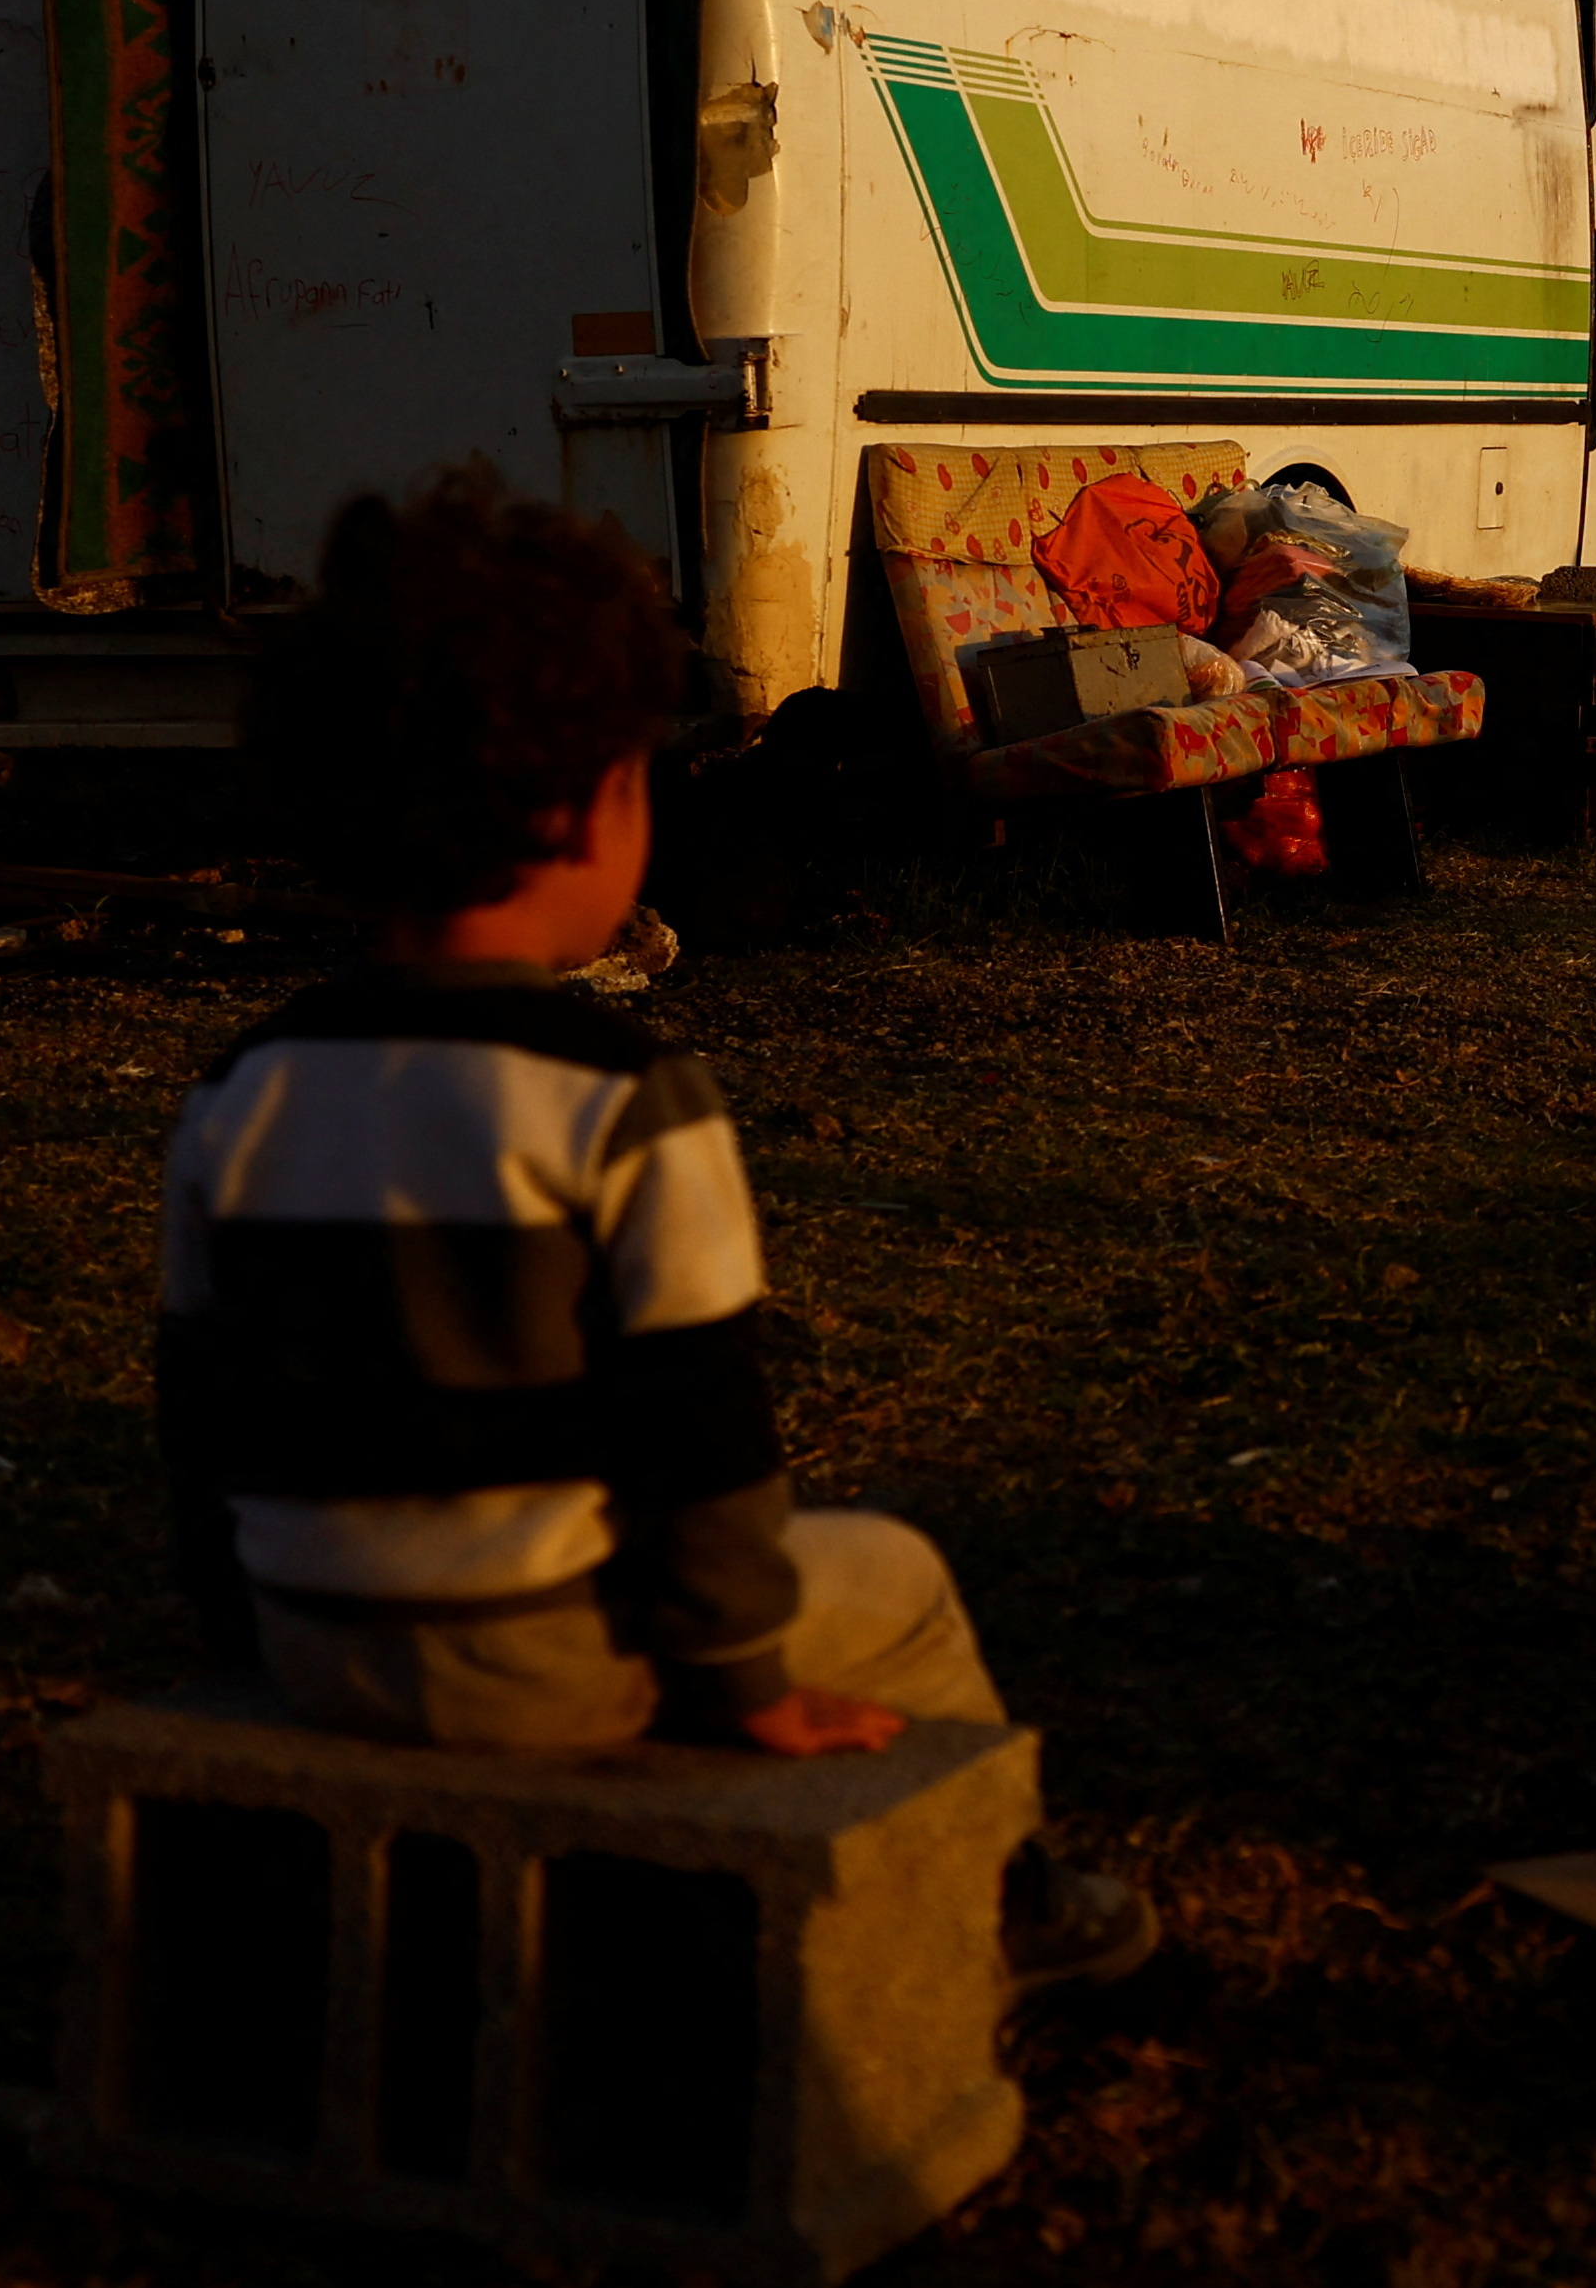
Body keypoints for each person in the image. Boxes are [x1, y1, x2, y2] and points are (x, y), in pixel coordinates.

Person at [154, 473, 1148, 1960]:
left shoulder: (245, 1090)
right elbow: (702, 1427)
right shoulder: (624, 1097)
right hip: (552, 1663)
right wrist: (747, 1681)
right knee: (901, 1583)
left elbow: (200, 1419)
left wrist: (251, 1644)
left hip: (309, 1649)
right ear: (589, 809)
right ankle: (1000, 1904)